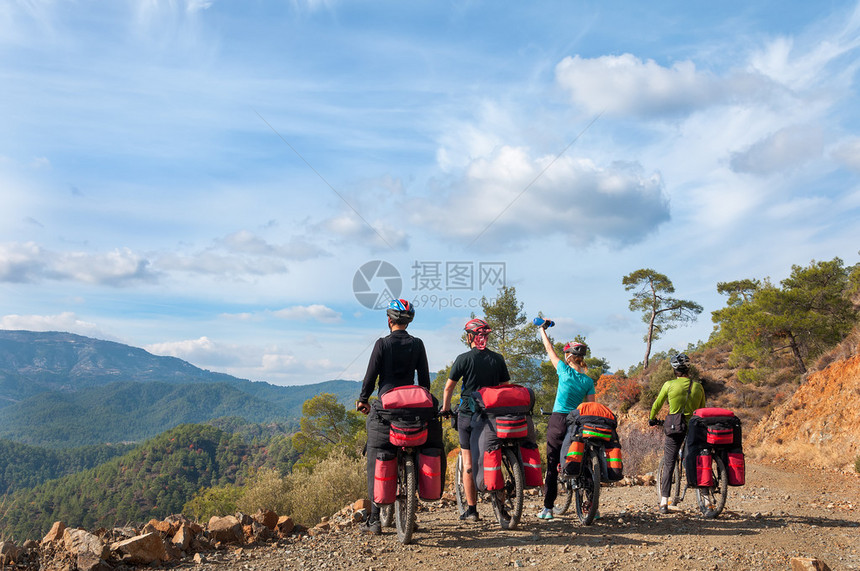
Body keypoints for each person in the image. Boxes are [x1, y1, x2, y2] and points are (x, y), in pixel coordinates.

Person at [356, 298, 435, 534]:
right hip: (414, 405)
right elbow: (425, 379)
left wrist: (363, 400)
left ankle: (375, 520)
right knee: (419, 446)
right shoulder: (418, 344)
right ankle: (411, 512)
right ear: (408, 322)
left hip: (387, 406)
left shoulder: (382, 344)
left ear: (389, 320)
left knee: (376, 454)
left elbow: (370, 377)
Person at [441, 317, 510, 522]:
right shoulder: (497, 359)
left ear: (470, 336)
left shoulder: (463, 358)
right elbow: (505, 387)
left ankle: (472, 510)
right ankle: (502, 507)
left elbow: (448, 387)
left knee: (468, 462)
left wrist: (445, 409)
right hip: (492, 416)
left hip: (468, 415)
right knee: (495, 458)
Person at [537, 322, 595, 520]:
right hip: (578, 421)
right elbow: (590, 406)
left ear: (569, 357)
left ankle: (547, 508)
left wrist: (542, 330)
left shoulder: (563, 370)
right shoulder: (588, 381)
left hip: (558, 420)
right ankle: (590, 508)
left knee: (552, 463)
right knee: (583, 460)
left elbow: (548, 348)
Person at [648, 352, 706, 514]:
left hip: (674, 428)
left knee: (669, 462)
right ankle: (706, 499)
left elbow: (657, 404)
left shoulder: (669, 385)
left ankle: (664, 502)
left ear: (674, 370)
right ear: (689, 369)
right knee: (698, 460)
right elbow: (702, 409)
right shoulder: (698, 386)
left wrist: (652, 419)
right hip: (694, 428)